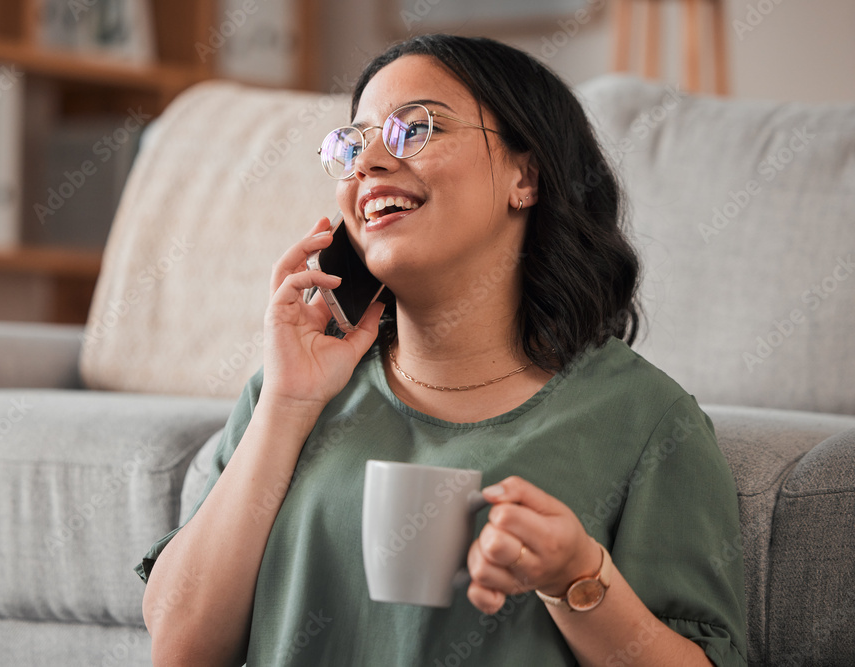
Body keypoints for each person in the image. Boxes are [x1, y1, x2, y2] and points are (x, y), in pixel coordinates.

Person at [137, 34, 747, 666]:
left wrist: (577, 579)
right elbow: (182, 648)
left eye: (416, 127)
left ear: (525, 174)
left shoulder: (646, 421)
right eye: (354, 142)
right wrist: (287, 404)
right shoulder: (293, 388)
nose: (369, 160)